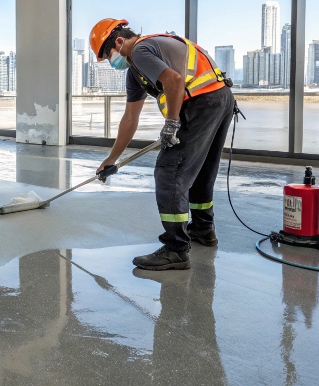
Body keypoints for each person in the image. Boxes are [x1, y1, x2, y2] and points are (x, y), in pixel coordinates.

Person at [90, 18, 236, 271]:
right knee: (200, 171)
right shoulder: (135, 73)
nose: (110, 61)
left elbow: (175, 80)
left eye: (107, 54)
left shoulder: (140, 50)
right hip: (221, 100)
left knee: (170, 172)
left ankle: (176, 249)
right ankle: (203, 229)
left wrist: (171, 123)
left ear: (118, 41)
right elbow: (130, 119)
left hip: (202, 103)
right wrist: (111, 159)